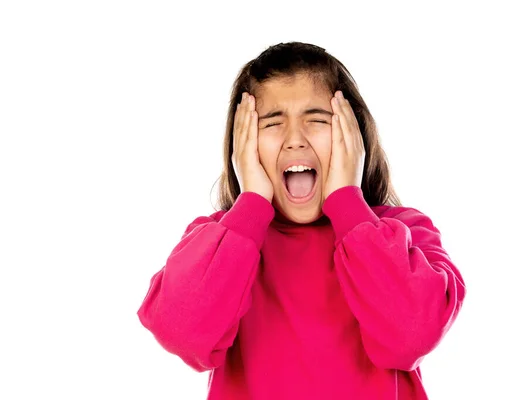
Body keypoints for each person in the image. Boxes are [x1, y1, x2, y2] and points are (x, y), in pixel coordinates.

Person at [137, 41, 466, 400]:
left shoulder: (406, 232)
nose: (295, 140)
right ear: (243, 143)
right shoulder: (218, 241)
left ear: (353, 137)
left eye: (317, 120)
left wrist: (348, 206)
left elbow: (411, 336)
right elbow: (182, 333)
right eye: (273, 123)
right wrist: (250, 207)